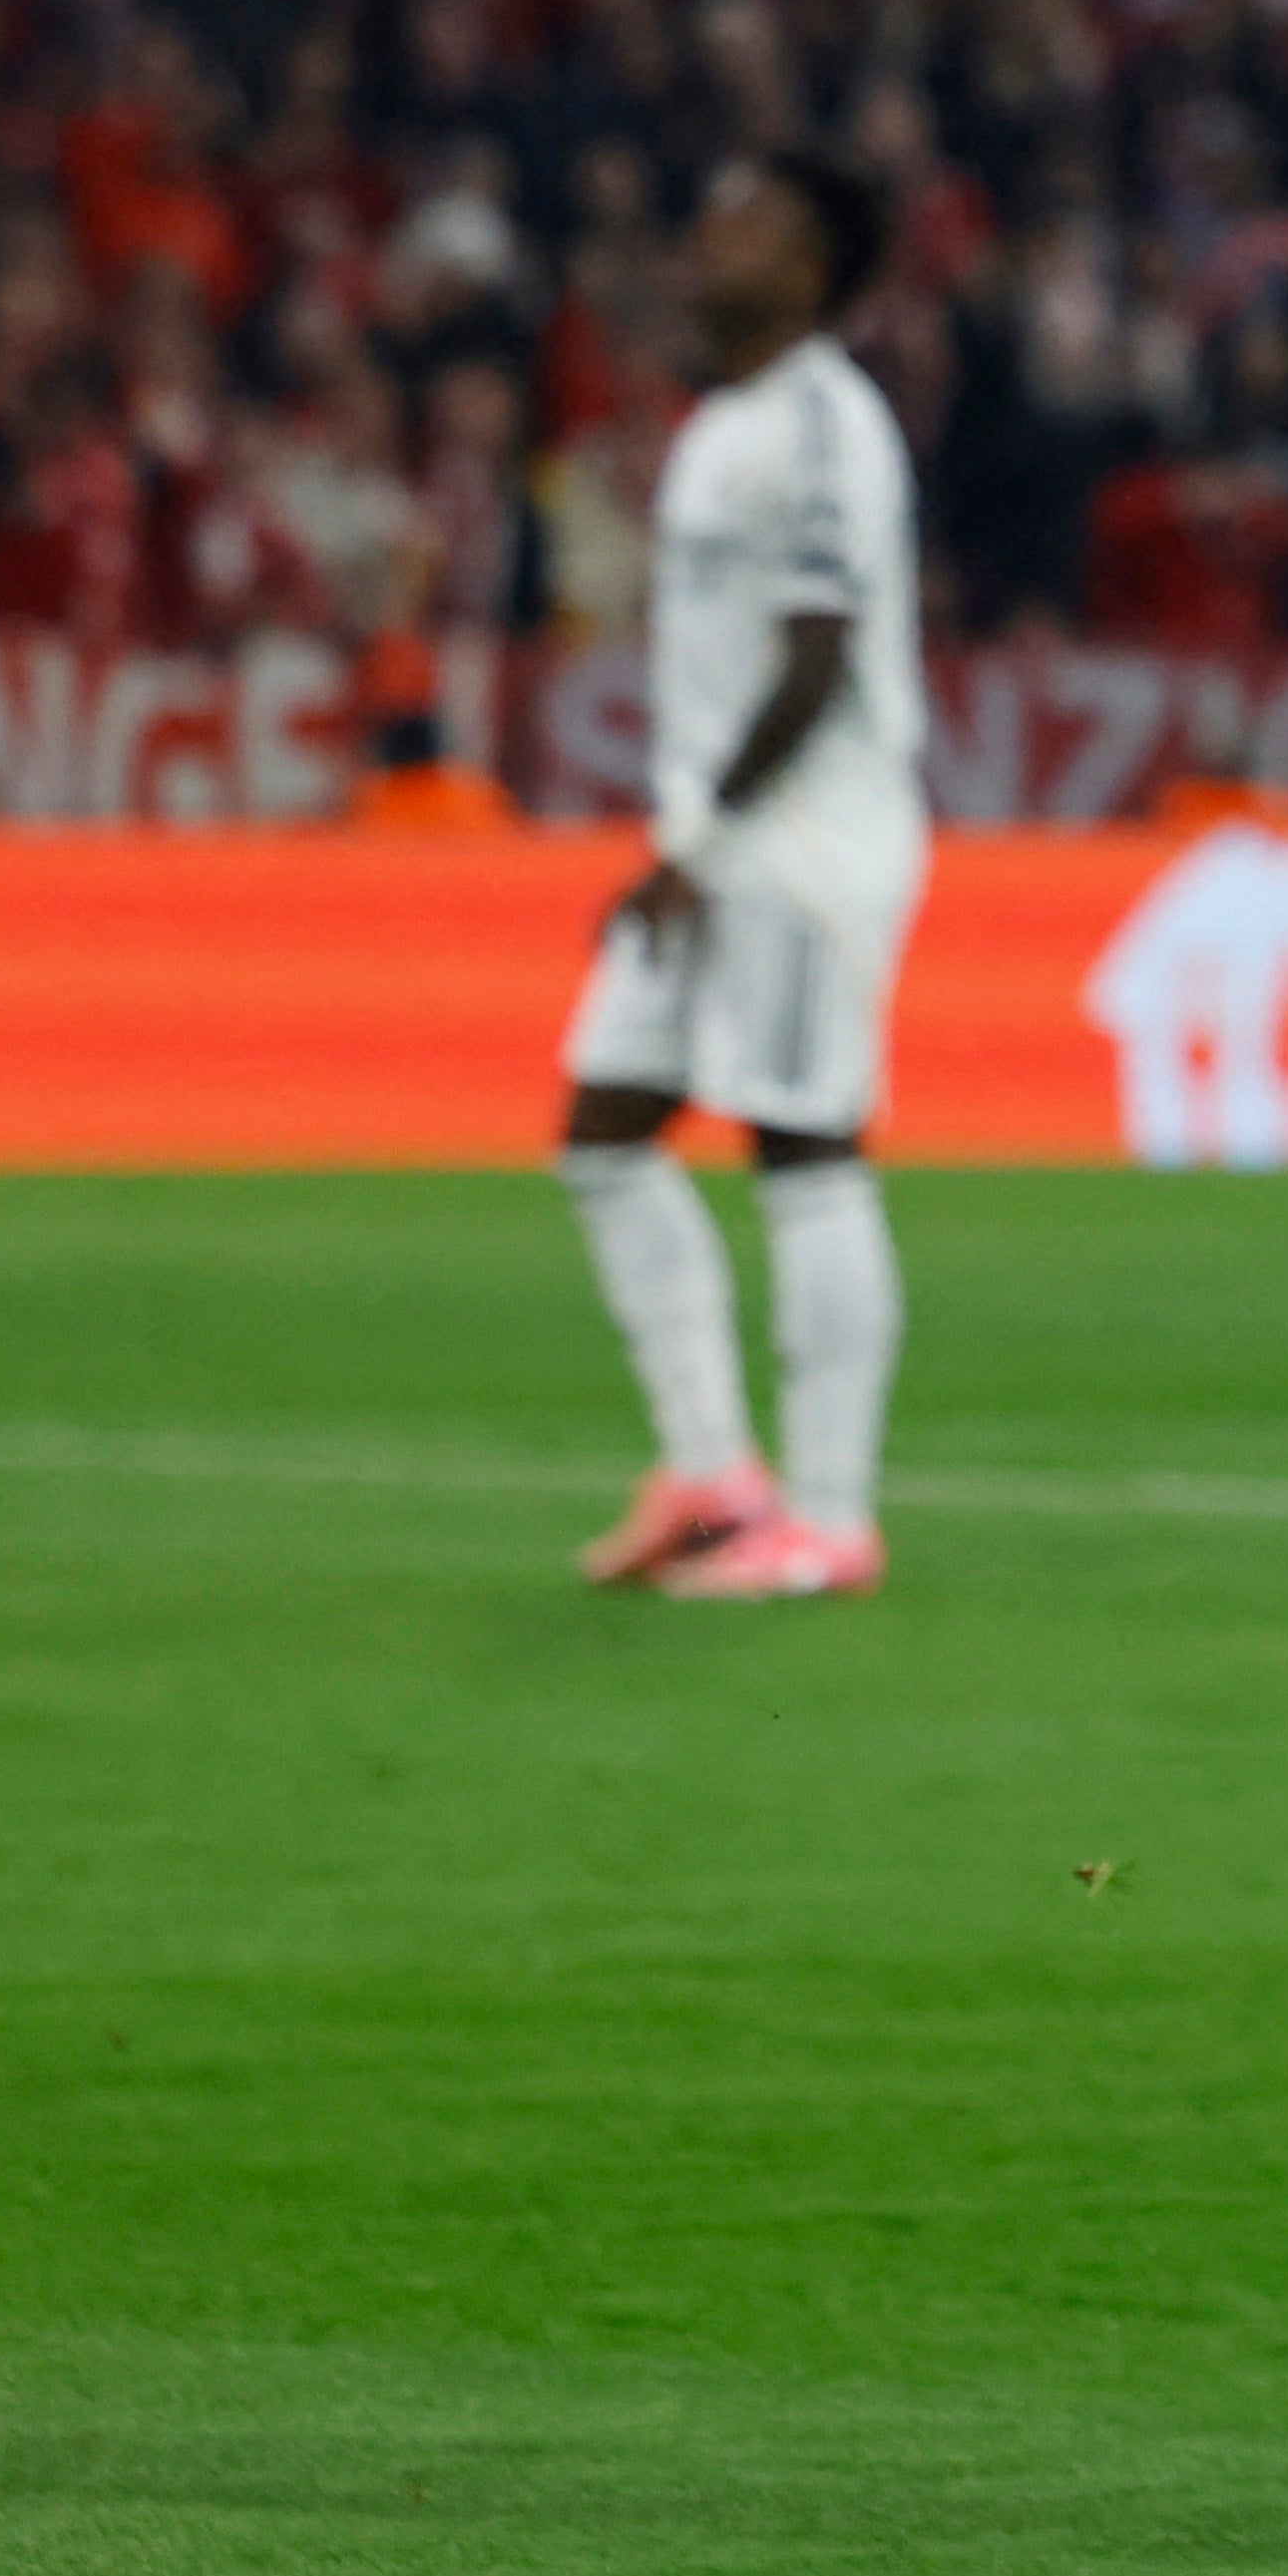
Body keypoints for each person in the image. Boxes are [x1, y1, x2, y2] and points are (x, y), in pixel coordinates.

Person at [553, 148, 926, 1605]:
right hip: (714, 840)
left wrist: (694, 843)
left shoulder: (829, 423)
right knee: (603, 1127)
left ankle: (829, 1518)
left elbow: (817, 659)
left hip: (809, 841)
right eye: (710, 218)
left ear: (817, 267)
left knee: (804, 1148)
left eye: (751, 227)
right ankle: (712, 1473)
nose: (710, 244)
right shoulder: (720, 424)